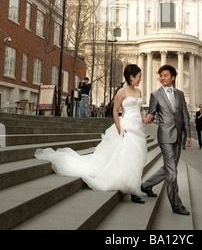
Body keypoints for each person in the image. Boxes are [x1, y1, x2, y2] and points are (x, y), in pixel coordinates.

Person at [35, 65, 148, 203]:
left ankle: (133, 185)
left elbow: (139, 109)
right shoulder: (121, 92)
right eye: (139, 76)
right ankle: (133, 192)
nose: (140, 79)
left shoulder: (139, 92)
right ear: (131, 77)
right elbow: (115, 111)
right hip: (126, 127)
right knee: (129, 157)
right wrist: (119, 128)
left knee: (136, 158)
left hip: (138, 128)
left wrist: (144, 118)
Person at [141, 65, 191, 215]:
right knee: (172, 171)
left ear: (173, 77)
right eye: (161, 75)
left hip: (179, 136)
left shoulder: (180, 94)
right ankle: (176, 204)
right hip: (165, 136)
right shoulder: (155, 95)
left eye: (165, 75)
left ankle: (146, 185)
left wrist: (188, 134)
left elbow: (185, 115)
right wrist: (148, 117)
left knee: (169, 168)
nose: (162, 78)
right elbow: (151, 113)